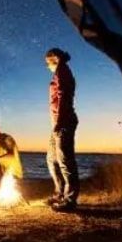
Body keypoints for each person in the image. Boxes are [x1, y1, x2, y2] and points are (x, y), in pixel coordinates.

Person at [45, 48, 79, 212]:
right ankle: (59, 193)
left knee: (65, 161)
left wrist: (59, 122)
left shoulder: (63, 71)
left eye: (48, 62)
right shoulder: (59, 72)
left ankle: (70, 200)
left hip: (63, 122)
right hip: (57, 123)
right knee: (51, 159)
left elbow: (64, 97)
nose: (47, 66)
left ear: (55, 58)